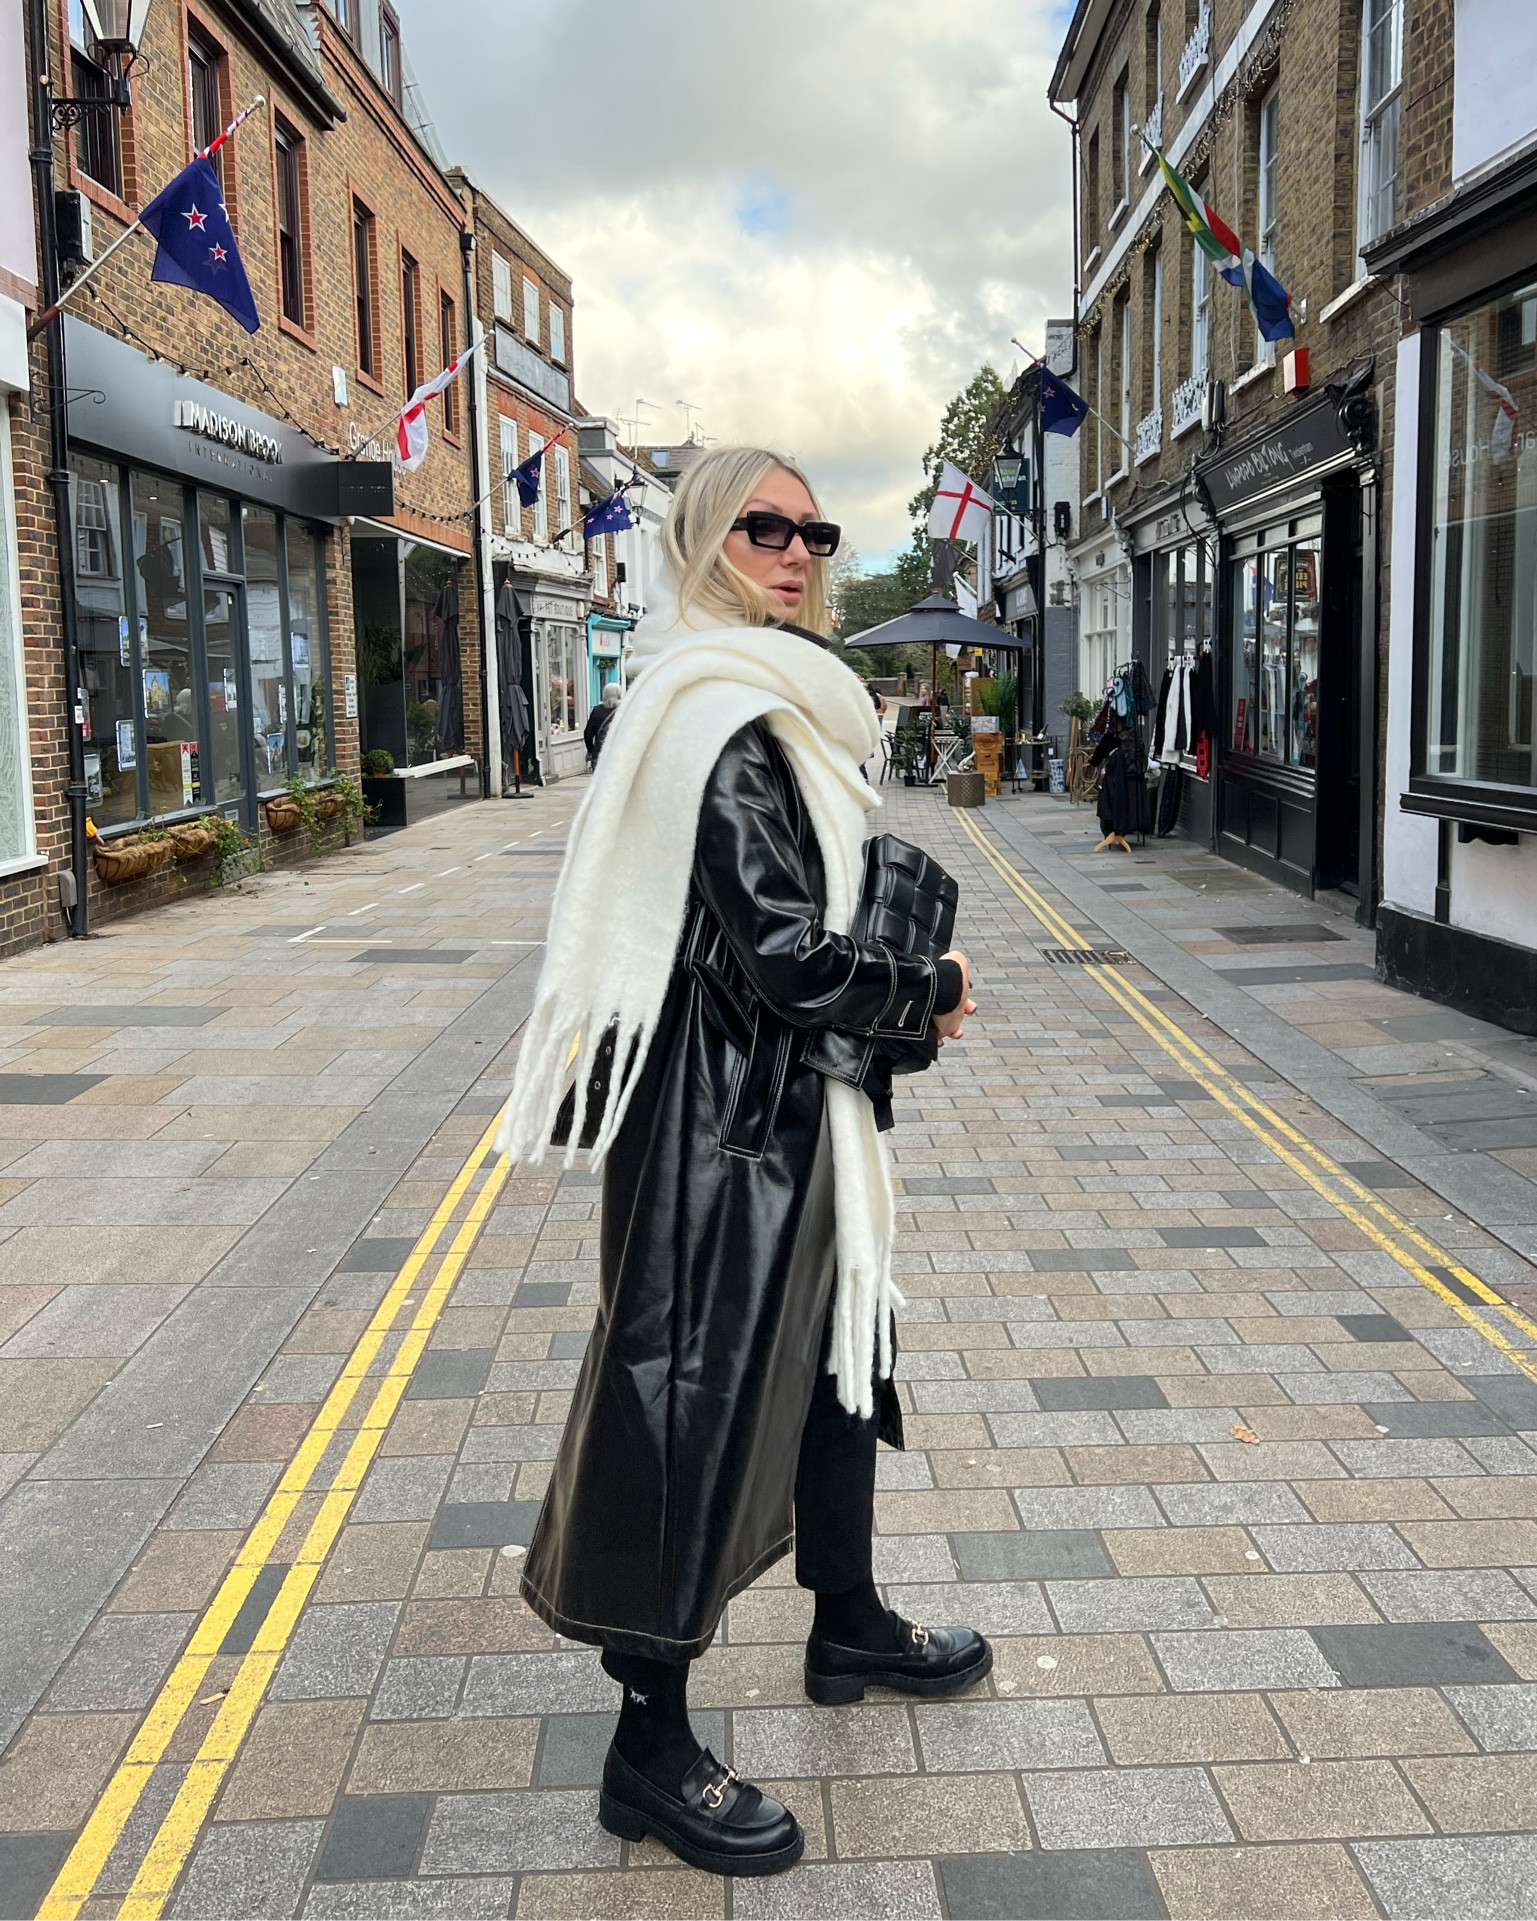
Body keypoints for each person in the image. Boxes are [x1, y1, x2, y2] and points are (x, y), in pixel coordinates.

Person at [495, 446, 985, 1880]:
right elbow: (782, 952)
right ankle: (646, 1742)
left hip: (791, 1110)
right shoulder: (712, 716)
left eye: (813, 530)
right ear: (706, 540)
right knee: (685, 1410)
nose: (794, 549)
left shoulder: (780, 705)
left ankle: (846, 1619)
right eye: (762, 527)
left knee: (840, 1360)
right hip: (717, 1136)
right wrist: (929, 987)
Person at [583, 679, 621, 767]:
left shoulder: (597, 711)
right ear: (618, 695)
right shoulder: (623, 710)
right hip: (618, 752)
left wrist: (591, 750)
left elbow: (588, 734)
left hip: (600, 752)